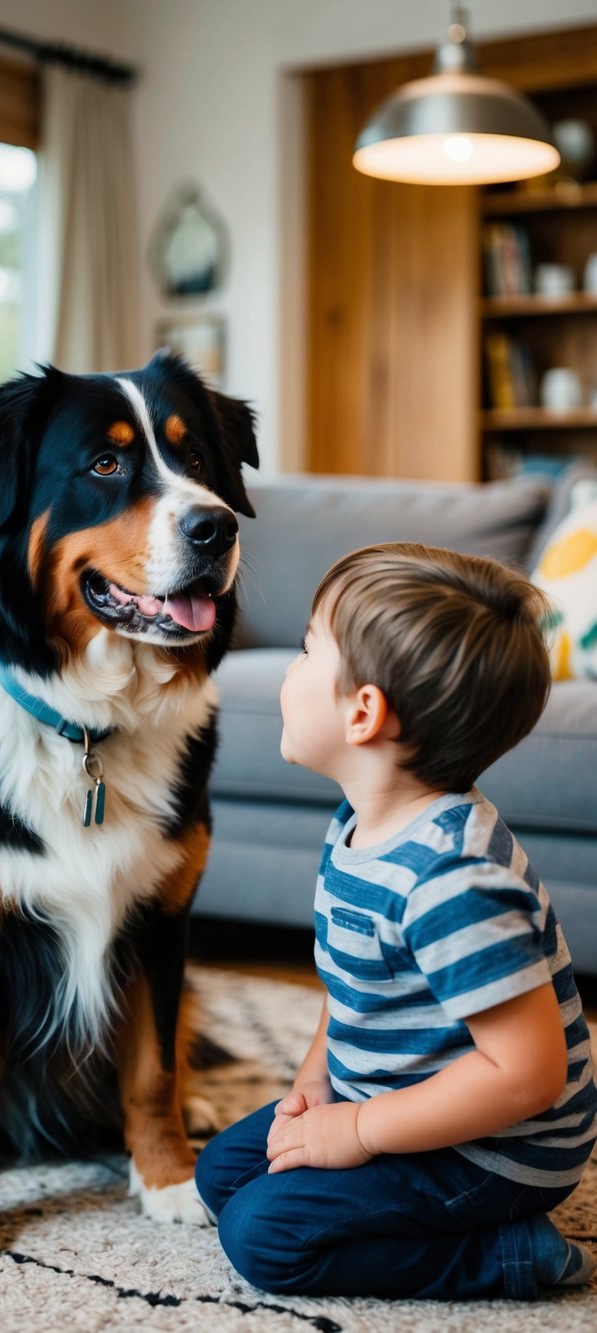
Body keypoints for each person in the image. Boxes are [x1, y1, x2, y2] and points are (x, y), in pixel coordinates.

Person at [195, 542, 597, 1302]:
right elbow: (353, 986)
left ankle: (507, 1253)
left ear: (363, 711)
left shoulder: (452, 878)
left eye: (307, 651)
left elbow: (529, 1072)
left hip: (496, 1150)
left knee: (264, 1237)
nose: (288, 668)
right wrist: (318, 1083)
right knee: (222, 1176)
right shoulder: (361, 822)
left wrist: (358, 1131)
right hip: (396, 1097)